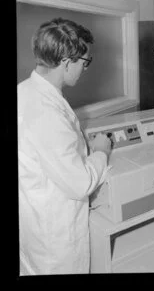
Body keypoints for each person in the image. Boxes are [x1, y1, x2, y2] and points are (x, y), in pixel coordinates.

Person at [18, 18, 112, 275]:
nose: (86, 69)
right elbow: (79, 183)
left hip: (34, 224)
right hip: (56, 239)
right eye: (85, 62)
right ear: (67, 61)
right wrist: (102, 150)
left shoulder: (24, 91)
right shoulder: (46, 112)